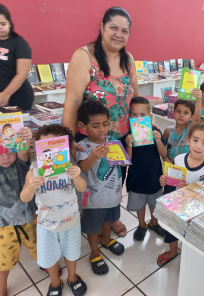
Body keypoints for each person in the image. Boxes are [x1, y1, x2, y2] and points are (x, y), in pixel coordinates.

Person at [62, 6, 140, 238]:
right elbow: (73, 102)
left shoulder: (128, 59)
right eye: (113, 28)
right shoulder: (84, 56)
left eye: (124, 30)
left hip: (120, 136)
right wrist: (68, 141)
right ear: (102, 28)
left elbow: (135, 98)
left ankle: (111, 217)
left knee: (115, 181)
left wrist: (142, 129)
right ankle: (91, 221)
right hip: (91, 137)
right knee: (93, 181)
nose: (119, 34)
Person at [20, 125, 87, 296]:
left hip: (70, 222)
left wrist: (77, 176)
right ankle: (55, 282)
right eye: (46, 145)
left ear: (66, 146)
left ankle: (72, 277)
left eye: (57, 145)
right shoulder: (34, 172)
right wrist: (31, 187)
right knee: (49, 258)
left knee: (71, 254)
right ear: (38, 147)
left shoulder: (70, 168)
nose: (51, 151)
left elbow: (82, 187)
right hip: (46, 225)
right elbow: (24, 198)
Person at [0, 126, 35, 296]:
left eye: (10, 151)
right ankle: (1, 285)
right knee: (3, 259)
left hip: (29, 217)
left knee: (39, 247)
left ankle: (46, 263)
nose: (5, 156)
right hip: (3, 224)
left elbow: (23, 151)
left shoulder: (20, 162)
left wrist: (26, 138)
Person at [75, 100, 125, 276]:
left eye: (105, 124)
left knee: (109, 220)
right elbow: (83, 168)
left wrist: (130, 148)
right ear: (83, 126)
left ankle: (107, 240)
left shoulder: (112, 141)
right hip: (94, 199)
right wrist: (94, 156)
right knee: (92, 226)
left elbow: (124, 162)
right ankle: (94, 253)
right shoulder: (83, 146)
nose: (102, 130)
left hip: (114, 194)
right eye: (95, 126)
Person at [158, 123, 204, 266]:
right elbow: (171, 179)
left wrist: (192, 189)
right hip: (176, 204)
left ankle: (191, 252)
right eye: (195, 140)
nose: (198, 146)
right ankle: (173, 250)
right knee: (172, 228)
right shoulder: (178, 159)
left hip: (195, 209)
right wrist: (164, 180)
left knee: (192, 232)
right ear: (188, 140)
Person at [120, 97, 167, 241]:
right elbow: (126, 162)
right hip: (136, 178)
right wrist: (128, 145)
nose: (138, 118)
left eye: (143, 115)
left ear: (150, 117)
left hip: (155, 178)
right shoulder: (127, 136)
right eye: (134, 115)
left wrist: (158, 140)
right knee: (139, 205)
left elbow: (164, 154)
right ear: (129, 117)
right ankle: (141, 225)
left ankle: (154, 222)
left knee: (154, 204)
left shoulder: (155, 132)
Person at [0, 2, 34, 115]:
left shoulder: (19, 43)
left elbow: (22, 74)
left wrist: (5, 94)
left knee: (15, 131)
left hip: (18, 95)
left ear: (9, 23)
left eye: (3, 23)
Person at [163, 92, 202, 164]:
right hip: (171, 166)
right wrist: (166, 160)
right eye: (178, 111)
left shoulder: (191, 130)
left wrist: (199, 99)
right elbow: (162, 149)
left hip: (187, 168)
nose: (181, 115)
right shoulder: (168, 131)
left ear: (191, 117)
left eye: (186, 113)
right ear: (173, 113)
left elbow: (197, 119)